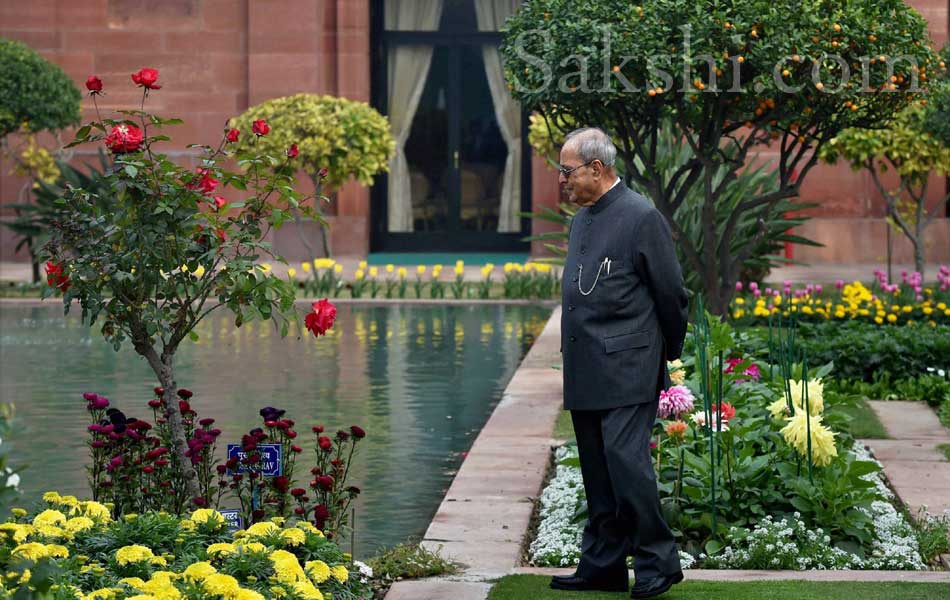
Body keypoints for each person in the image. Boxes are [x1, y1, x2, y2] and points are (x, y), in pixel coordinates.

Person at [551, 128, 689, 599]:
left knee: (626, 463)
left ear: (597, 168)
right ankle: (604, 564)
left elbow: (671, 293)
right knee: (596, 467)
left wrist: (666, 352)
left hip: (629, 364)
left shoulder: (641, 216)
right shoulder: (581, 220)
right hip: (586, 362)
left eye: (567, 171)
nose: (562, 180)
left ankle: (658, 561)